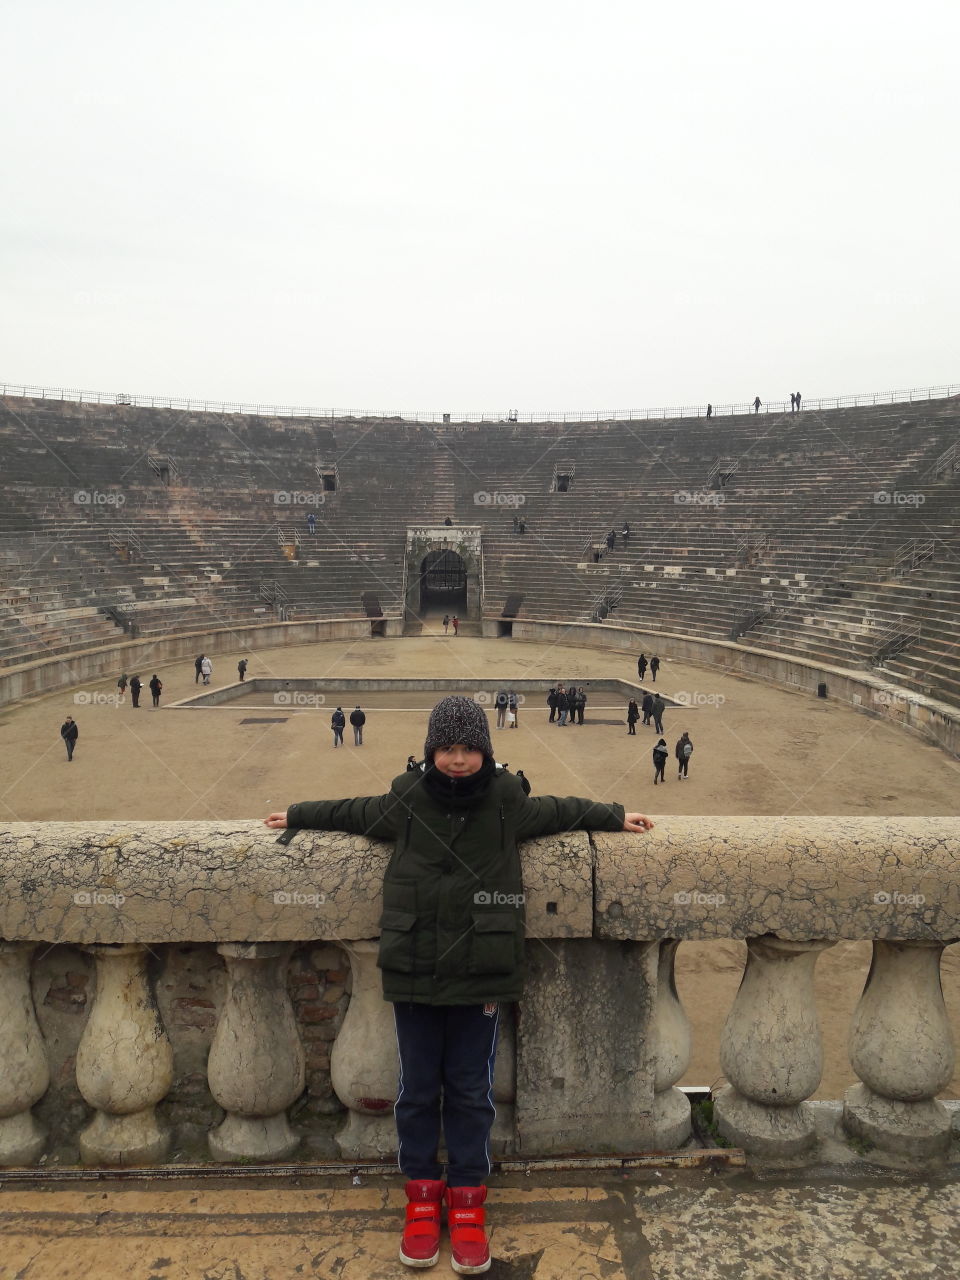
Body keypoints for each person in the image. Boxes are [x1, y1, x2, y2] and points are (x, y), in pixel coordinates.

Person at [263, 696, 654, 1274]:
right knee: (418, 1090)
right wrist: (298, 814)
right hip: (416, 970)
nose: (457, 759)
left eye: (469, 748)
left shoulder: (507, 802)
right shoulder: (406, 800)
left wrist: (613, 814)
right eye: (447, 748)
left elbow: (559, 811)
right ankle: (422, 1199)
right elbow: (353, 812)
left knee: (471, 1094)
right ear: (430, 752)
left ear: (486, 753)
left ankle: (468, 1202)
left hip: (481, 973)